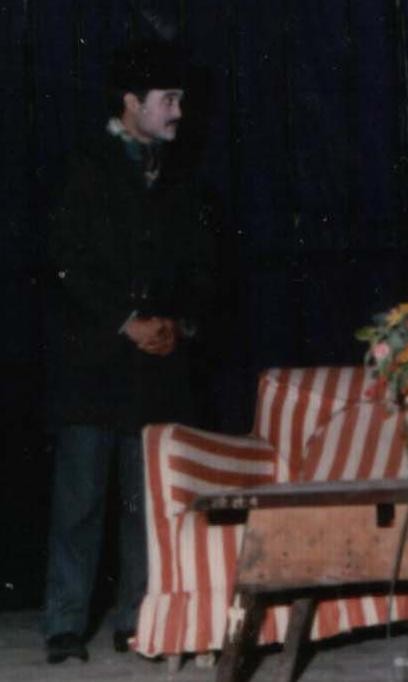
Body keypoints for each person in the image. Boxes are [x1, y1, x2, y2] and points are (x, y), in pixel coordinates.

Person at [43, 40, 216, 663]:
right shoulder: (83, 165)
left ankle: (139, 619)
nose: (178, 112)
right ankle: (64, 625)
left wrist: (176, 324)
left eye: (181, 100)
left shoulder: (180, 175)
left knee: (146, 504)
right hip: (92, 364)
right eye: (169, 100)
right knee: (80, 502)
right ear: (131, 103)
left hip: (155, 366)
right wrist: (125, 323)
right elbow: (64, 261)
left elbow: (201, 268)